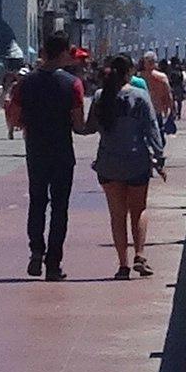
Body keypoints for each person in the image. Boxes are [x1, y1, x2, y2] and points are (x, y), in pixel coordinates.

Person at [11, 32, 88, 279]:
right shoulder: (72, 84)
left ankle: (36, 250)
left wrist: (27, 123)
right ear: (64, 53)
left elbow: (14, 117)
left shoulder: (27, 82)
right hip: (62, 151)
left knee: (37, 201)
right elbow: (78, 124)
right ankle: (53, 263)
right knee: (59, 207)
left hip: (36, 149)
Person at [91, 54, 168, 278]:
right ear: (129, 72)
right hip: (136, 160)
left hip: (108, 161)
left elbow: (88, 127)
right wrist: (159, 159)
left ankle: (123, 265)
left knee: (117, 214)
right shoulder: (140, 96)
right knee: (139, 209)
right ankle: (140, 255)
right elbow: (152, 130)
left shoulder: (99, 97)